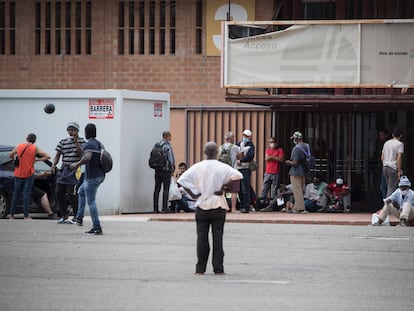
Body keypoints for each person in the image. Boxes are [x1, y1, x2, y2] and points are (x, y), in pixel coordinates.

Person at [177, 142, 243, 275]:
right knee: (218, 238)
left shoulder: (197, 167)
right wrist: (225, 187)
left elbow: (182, 180)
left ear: (204, 152)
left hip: (202, 205)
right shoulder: (222, 167)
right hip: (218, 205)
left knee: (201, 238)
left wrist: (194, 194)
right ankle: (218, 268)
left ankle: (200, 267)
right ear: (217, 153)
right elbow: (238, 176)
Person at [69, 123, 106, 235]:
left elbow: (87, 157)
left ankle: (97, 227)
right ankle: (79, 217)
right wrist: (76, 142)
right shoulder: (98, 143)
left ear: (86, 132)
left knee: (91, 201)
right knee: (81, 191)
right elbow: (83, 153)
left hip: (92, 177)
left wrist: (76, 164)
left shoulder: (90, 144)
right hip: (100, 175)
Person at [8, 133, 50, 219]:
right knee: (26, 195)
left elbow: (10, 155)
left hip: (18, 173)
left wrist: (16, 158)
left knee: (16, 194)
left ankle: (11, 215)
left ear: (26, 138)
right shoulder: (35, 148)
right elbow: (48, 156)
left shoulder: (19, 146)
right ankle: (26, 216)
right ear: (34, 141)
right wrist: (37, 160)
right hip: (29, 174)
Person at [51, 122, 86, 223]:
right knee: (58, 192)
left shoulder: (82, 141)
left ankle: (76, 216)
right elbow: (57, 155)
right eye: (69, 129)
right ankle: (64, 215)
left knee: (71, 193)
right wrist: (53, 165)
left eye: (73, 129)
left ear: (77, 131)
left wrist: (76, 142)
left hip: (75, 169)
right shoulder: (63, 142)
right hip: (64, 169)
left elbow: (81, 153)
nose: (71, 131)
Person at [285, 131, 308, 213]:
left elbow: (295, 163)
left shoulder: (296, 148)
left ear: (296, 138)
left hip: (296, 172)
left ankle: (299, 208)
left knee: (297, 190)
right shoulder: (306, 146)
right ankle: (299, 206)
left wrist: (288, 162)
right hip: (304, 171)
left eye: (294, 138)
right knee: (300, 190)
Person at [218, 131, 241, 212]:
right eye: (233, 137)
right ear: (231, 138)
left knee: (223, 191)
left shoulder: (221, 147)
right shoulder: (235, 147)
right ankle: (234, 209)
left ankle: (224, 208)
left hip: (223, 173)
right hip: (233, 172)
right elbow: (239, 157)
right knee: (234, 191)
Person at [153, 131, 175, 213]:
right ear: (168, 136)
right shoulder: (167, 146)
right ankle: (164, 208)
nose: (171, 138)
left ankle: (155, 208)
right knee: (166, 189)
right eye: (170, 136)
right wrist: (172, 168)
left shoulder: (157, 145)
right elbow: (170, 158)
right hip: (165, 170)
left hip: (157, 170)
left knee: (157, 189)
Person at [381, 127, 404, 198]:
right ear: (401, 135)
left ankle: (390, 206)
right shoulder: (400, 144)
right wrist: (399, 171)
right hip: (393, 168)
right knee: (391, 189)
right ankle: (388, 207)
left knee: (388, 187)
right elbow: (399, 158)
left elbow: (382, 157)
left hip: (385, 167)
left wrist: (384, 164)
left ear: (393, 135)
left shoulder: (386, 143)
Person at [237, 129, 255, 213]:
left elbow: (250, 156)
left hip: (245, 168)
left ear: (250, 137)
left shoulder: (251, 146)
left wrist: (241, 160)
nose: (245, 137)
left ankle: (246, 206)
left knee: (245, 188)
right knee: (239, 188)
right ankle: (241, 205)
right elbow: (235, 154)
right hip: (237, 169)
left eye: (247, 136)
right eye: (244, 135)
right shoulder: (238, 144)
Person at [374, 129, 390, 199]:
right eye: (379, 135)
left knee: (384, 186)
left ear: (386, 135)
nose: (380, 136)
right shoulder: (380, 143)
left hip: (386, 166)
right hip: (382, 166)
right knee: (383, 186)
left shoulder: (386, 143)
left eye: (382, 135)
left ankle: (386, 203)